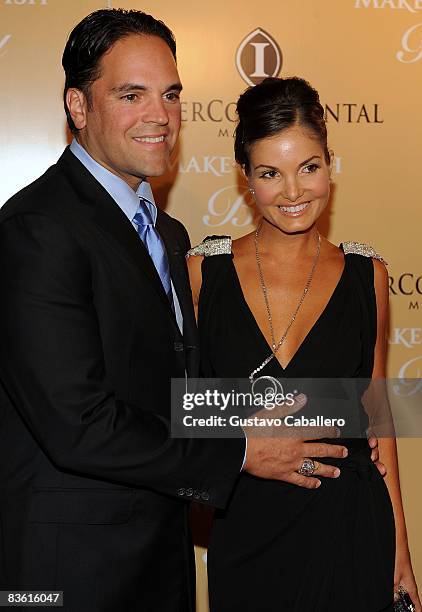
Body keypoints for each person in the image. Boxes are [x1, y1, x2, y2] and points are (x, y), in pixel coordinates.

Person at [0, 11, 357, 612]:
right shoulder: (37, 229)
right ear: (78, 107)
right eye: (131, 95)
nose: (159, 115)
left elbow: (174, 393)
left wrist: (337, 409)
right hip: (68, 575)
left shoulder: (166, 234)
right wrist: (244, 450)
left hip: (160, 559)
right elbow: (78, 424)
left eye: (170, 94)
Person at [188, 77, 421, 611]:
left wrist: (400, 550)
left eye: (308, 168)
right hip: (247, 529)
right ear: (246, 178)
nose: (293, 193)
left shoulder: (369, 276)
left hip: (349, 526)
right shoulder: (204, 273)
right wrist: (246, 436)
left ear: (330, 164)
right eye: (271, 173)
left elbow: (377, 417)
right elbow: (182, 410)